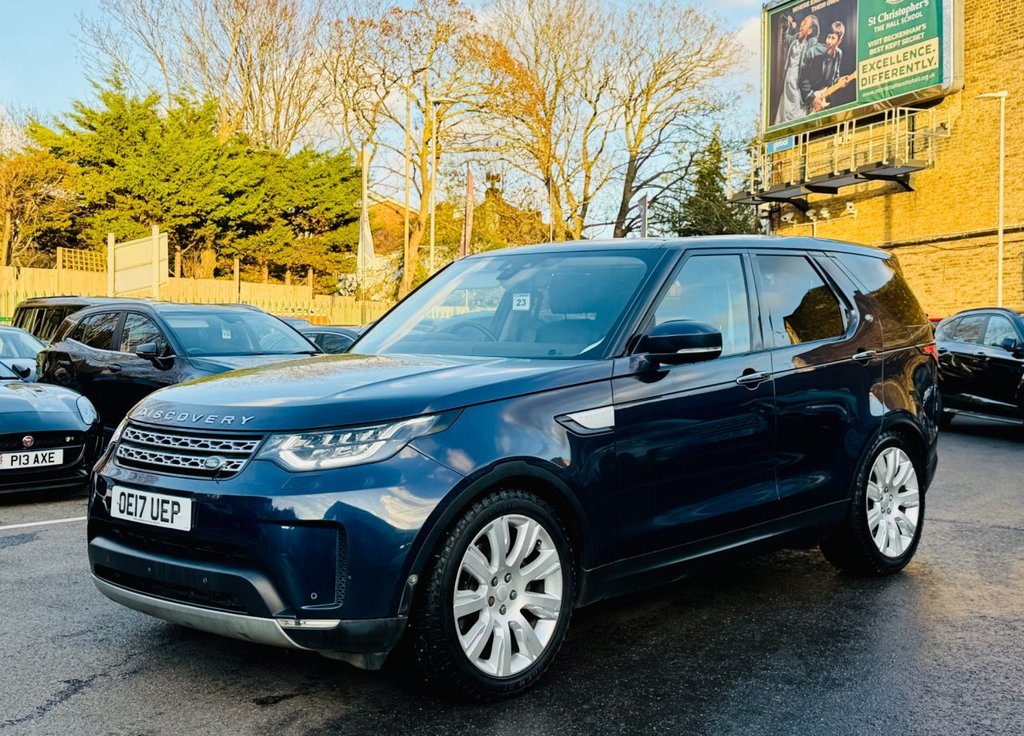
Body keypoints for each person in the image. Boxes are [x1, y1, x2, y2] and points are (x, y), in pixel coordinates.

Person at [774, 14, 825, 125]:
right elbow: (785, 37)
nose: (801, 25)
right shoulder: (795, 39)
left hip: (798, 83)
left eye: (805, 23)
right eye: (802, 22)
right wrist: (786, 25)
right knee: (784, 113)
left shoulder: (811, 45)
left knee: (797, 115)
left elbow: (821, 49)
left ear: (810, 30)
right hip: (788, 82)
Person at [811, 21, 846, 113]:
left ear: (839, 41)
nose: (829, 41)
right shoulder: (817, 52)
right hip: (811, 98)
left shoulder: (839, 54)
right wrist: (812, 97)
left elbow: (834, 78)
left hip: (825, 98)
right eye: (828, 37)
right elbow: (805, 80)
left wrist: (839, 81)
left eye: (833, 38)